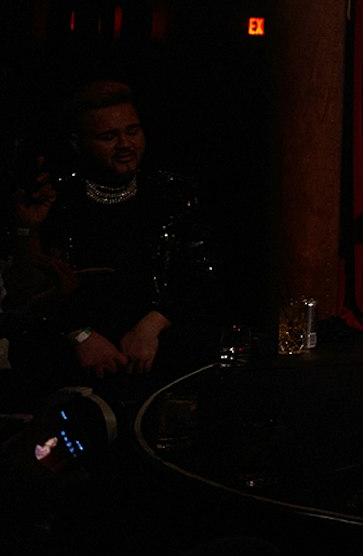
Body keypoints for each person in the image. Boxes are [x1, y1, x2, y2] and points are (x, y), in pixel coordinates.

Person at [7, 82, 214, 396]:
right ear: (77, 143)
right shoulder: (55, 200)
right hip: (72, 359)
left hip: (160, 354)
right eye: (108, 136)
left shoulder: (173, 194)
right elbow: (27, 298)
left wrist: (153, 324)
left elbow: (203, 278)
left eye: (133, 131)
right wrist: (80, 334)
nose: (125, 144)